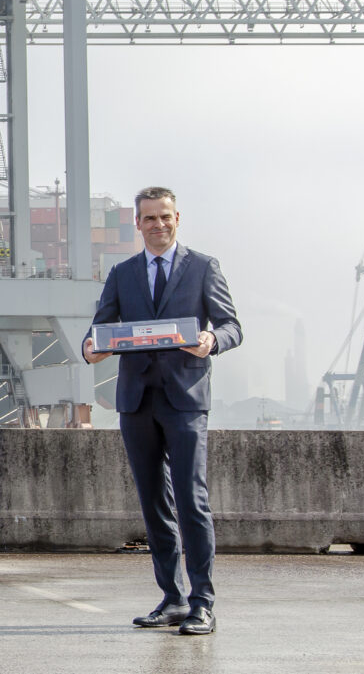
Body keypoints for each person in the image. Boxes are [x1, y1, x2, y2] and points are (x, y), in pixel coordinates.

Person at [83, 186, 241, 636]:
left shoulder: (204, 268)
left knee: (192, 501)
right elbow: (100, 329)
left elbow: (232, 326)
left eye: (165, 217)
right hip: (135, 401)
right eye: (149, 218)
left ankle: (202, 603)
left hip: (185, 400)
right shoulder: (122, 273)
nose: (158, 225)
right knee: (154, 504)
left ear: (178, 219)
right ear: (138, 224)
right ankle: (171, 598)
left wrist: (213, 341)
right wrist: (90, 349)